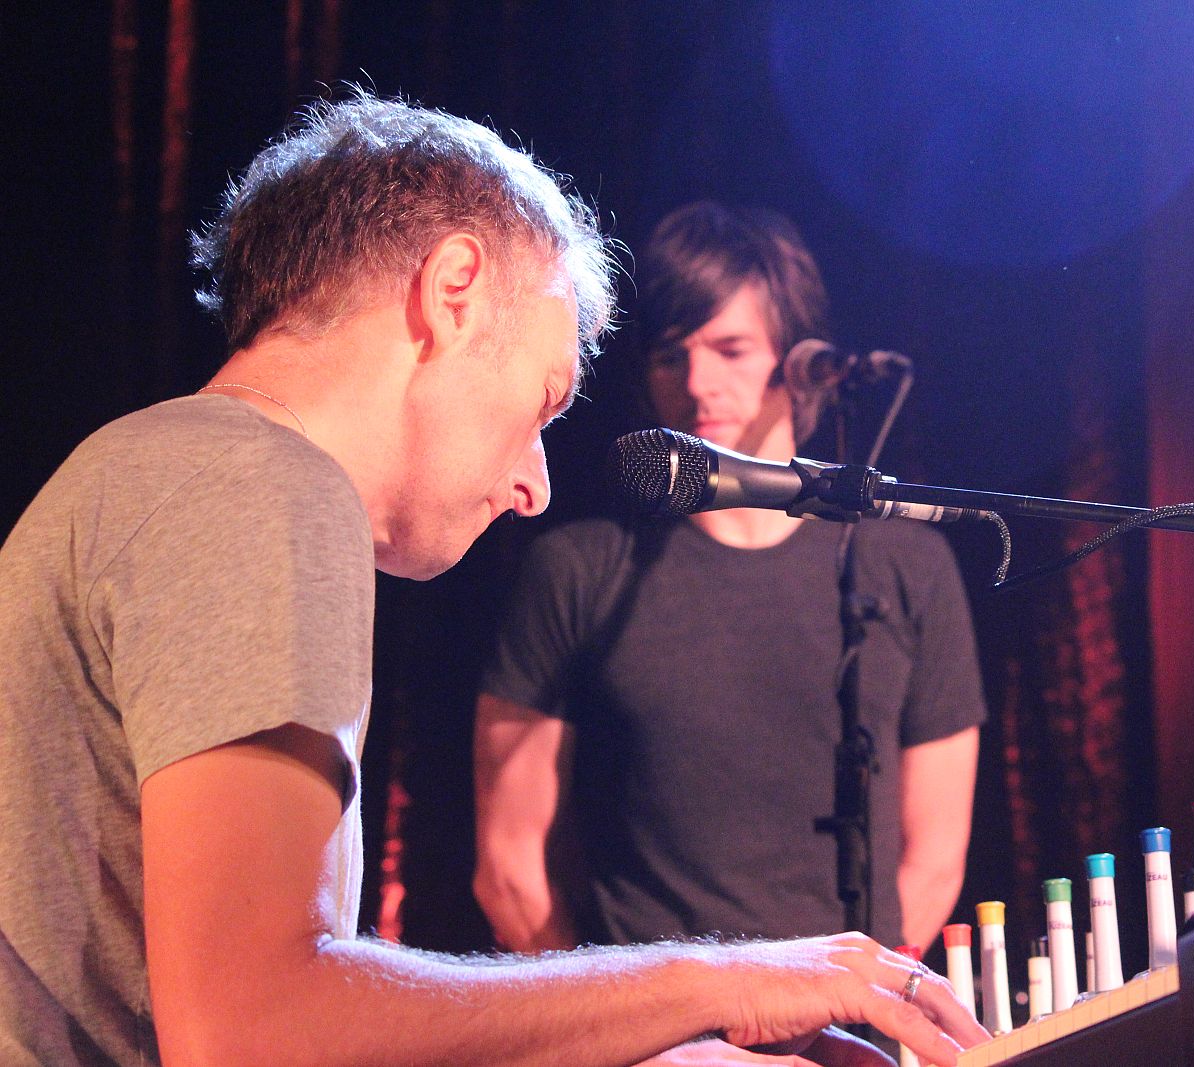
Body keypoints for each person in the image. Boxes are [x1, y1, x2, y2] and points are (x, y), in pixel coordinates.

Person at [0, 95, 987, 1067]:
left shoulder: (171, 466)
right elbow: (254, 1028)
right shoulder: (259, 481)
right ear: (452, 290)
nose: (532, 483)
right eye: (542, 403)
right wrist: (720, 981)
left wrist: (664, 1051)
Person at [473, 202, 985, 961]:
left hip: (849, 1039)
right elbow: (510, 868)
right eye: (670, 355)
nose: (697, 382)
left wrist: (836, 1017)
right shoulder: (577, 570)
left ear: (802, 361)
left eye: (731, 348)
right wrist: (627, 1036)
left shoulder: (908, 566)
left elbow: (934, 856)